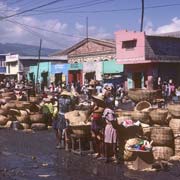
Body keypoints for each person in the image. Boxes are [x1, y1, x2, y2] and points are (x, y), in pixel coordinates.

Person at [90, 94, 105, 159]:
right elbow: (90, 111)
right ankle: (98, 152)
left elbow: (99, 112)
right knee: (95, 138)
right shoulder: (95, 106)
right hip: (94, 123)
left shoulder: (102, 107)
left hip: (99, 124)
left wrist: (94, 109)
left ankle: (101, 153)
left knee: (100, 139)